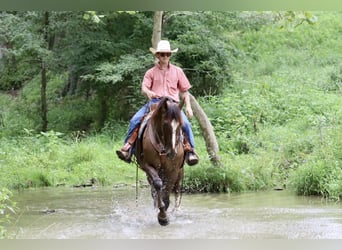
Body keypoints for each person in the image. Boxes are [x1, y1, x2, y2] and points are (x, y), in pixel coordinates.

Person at [116, 40, 199, 166]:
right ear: (157, 55)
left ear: (170, 55)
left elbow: (184, 91)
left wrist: (188, 106)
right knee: (135, 120)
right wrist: (148, 92)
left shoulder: (178, 71)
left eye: (167, 54)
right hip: (155, 103)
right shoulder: (151, 72)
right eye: (162, 54)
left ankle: (190, 151)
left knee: (186, 124)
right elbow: (144, 88)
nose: (165, 57)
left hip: (173, 105)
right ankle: (128, 149)